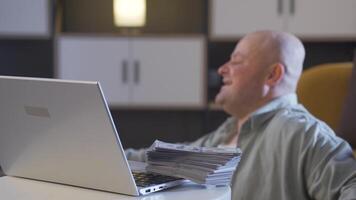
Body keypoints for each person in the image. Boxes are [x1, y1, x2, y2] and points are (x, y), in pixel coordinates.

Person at [126, 30, 356, 199]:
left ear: (272, 75)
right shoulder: (225, 132)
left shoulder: (304, 133)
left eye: (236, 61)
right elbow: (164, 159)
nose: (222, 69)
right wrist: (109, 155)